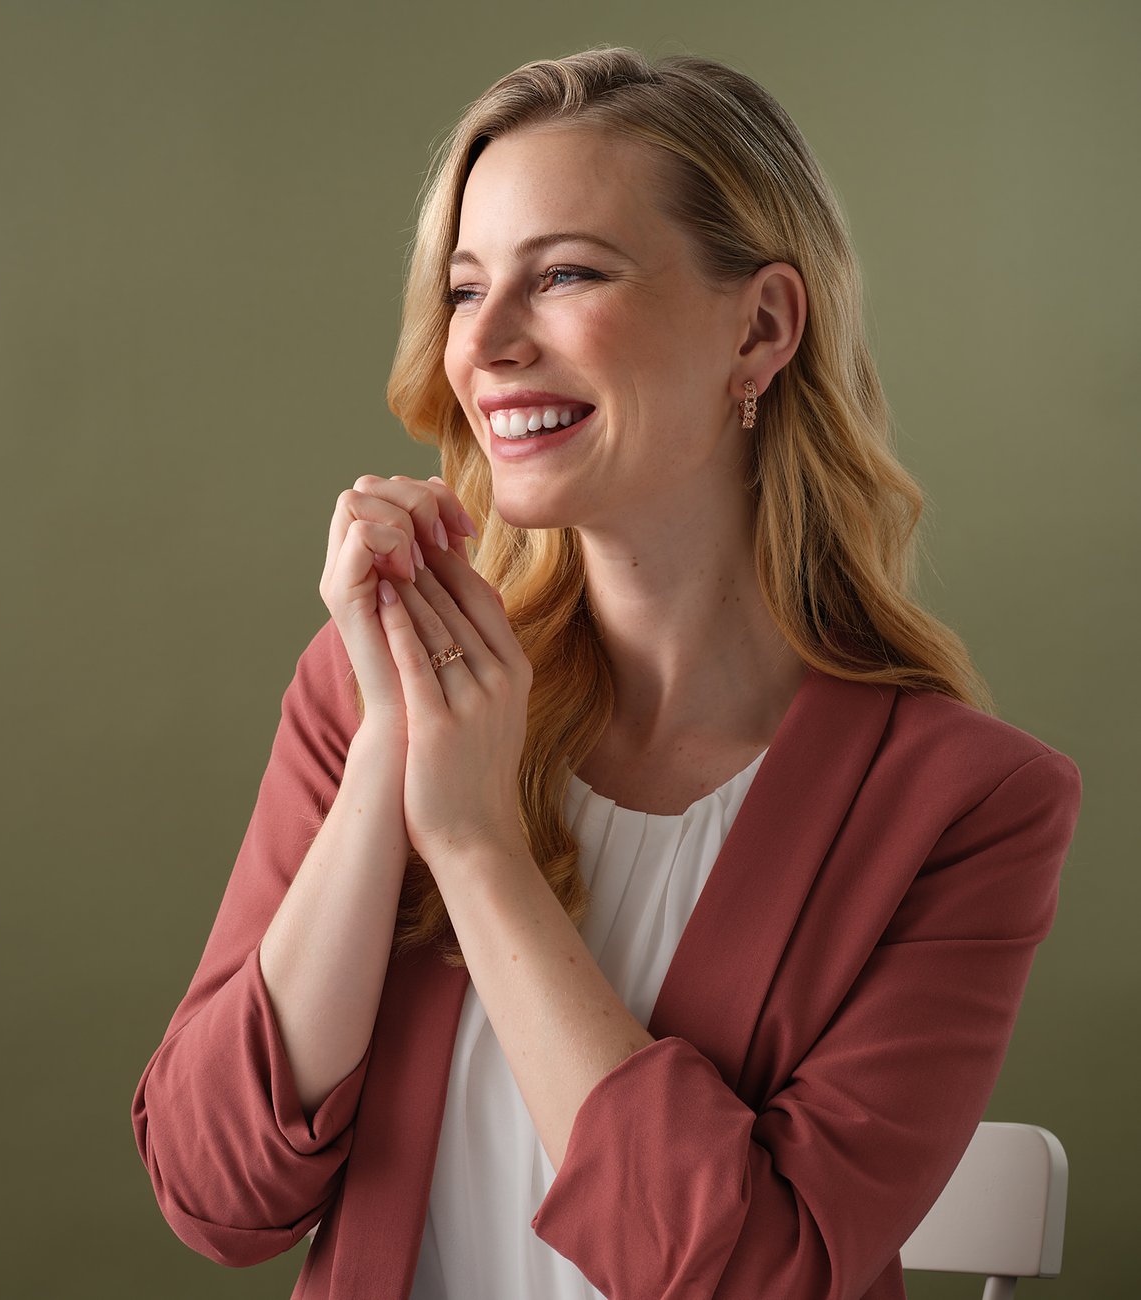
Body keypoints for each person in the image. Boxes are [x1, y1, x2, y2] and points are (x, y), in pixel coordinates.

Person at [131, 47, 1082, 1300]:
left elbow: (751, 1276)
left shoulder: (963, 806)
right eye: (467, 290)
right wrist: (389, 756)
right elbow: (217, 1193)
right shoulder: (367, 686)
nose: (488, 346)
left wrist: (474, 846)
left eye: (567, 273)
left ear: (761, 327)